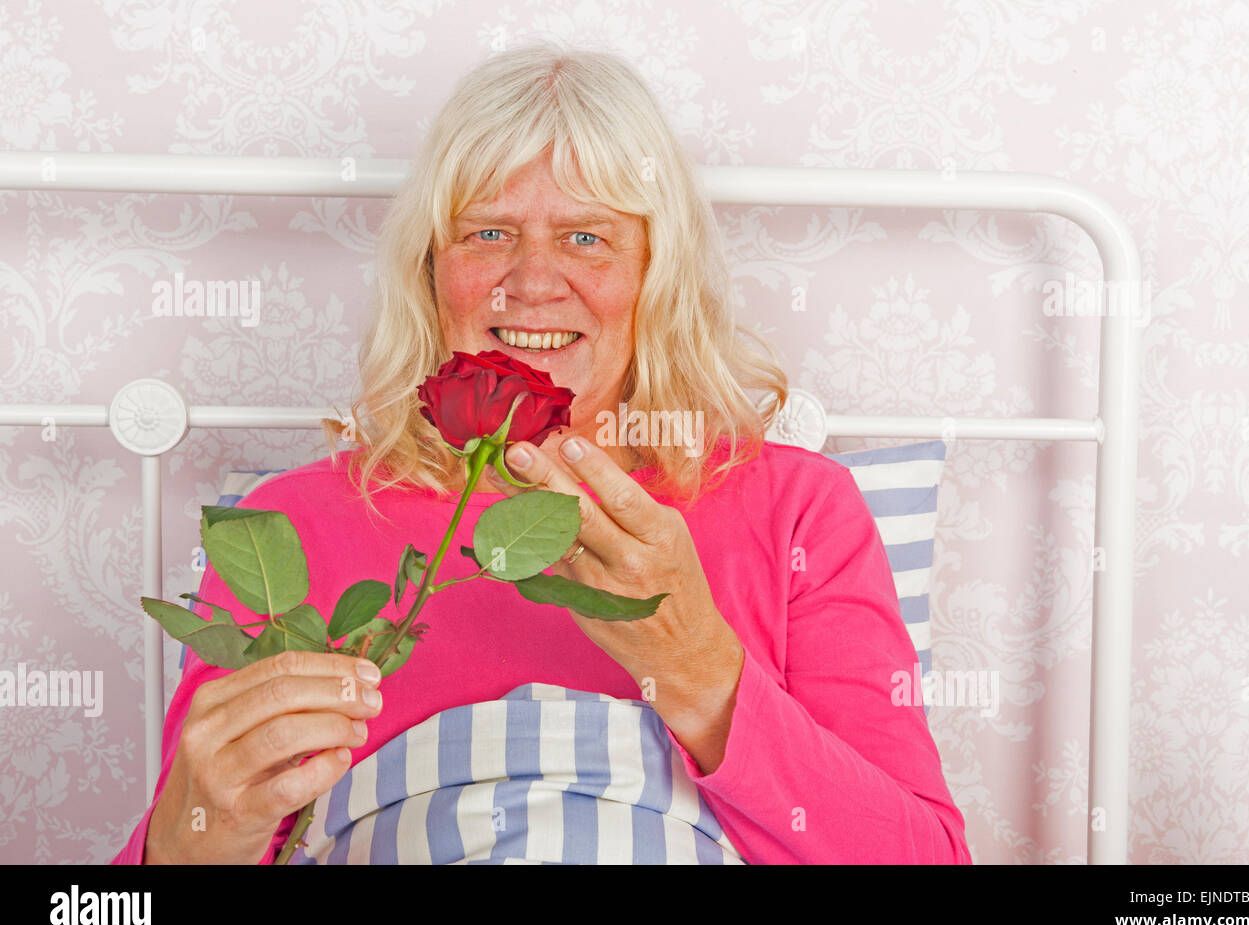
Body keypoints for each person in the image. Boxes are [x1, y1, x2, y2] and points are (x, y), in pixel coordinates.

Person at [112, 42, 971, 865]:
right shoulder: (282, 533)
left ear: (655, 274)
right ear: (429, 270)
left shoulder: (799, 512)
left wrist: (698, 671)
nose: (530, 281)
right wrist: (197, 833)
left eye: (586, 238)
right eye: (486, 233)